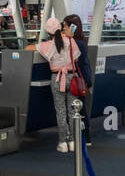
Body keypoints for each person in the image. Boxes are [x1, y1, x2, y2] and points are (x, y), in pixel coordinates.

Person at [36, 15, 80, 152]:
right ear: (60, 28)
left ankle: (63, 143)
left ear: (48, 32)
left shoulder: (47, 45)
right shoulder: (70, 41)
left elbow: (30, 48)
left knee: (61, 112)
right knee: (73, 111)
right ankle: (73, 142)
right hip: (72, 77)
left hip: (57, 78)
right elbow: (77, 59)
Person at [63, 14, 92, 146]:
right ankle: (85, 137)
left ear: (72, 27)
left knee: (79, 109)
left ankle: (84, 137)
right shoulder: (81, 40)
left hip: (78, 78)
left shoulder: (75, 43)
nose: (63, 28)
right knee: (81, 108)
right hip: (84, 77)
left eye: (65, 26)